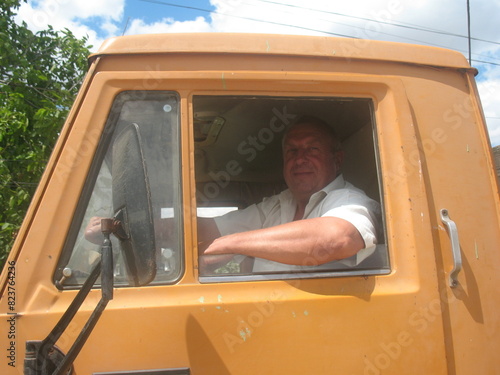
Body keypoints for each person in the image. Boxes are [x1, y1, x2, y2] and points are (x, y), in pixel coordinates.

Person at [197, 115, 381, 273]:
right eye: (292, 151)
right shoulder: (275, 206)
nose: (300, 159)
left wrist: (229, 244)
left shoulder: (348, 200)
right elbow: (208, 228)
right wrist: (170, 229)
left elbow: (339, 238)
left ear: (337, 160)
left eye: (312, 149)